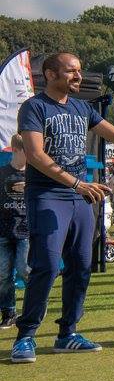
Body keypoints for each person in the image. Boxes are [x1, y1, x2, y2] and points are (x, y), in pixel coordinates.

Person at [12, 52, 114, 363]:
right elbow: (34, 154)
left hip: (80, 198)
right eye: (70, 71)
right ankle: (25, 336)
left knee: (81, 266)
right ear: (49, 74)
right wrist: (76, 184)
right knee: (47, 265)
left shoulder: (82, 107)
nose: (77, 76)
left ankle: (68, 334)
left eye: (79, 71)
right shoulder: (34, 107)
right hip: (49, 195)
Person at [0, 135, 28, 330]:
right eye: (28, 151)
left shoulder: (33, 175)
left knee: (25, 269)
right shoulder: (2, 173)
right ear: (17, 150)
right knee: (3, 275)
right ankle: (9, 312)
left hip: (25, 231)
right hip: (3, 232)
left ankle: (34, 308)